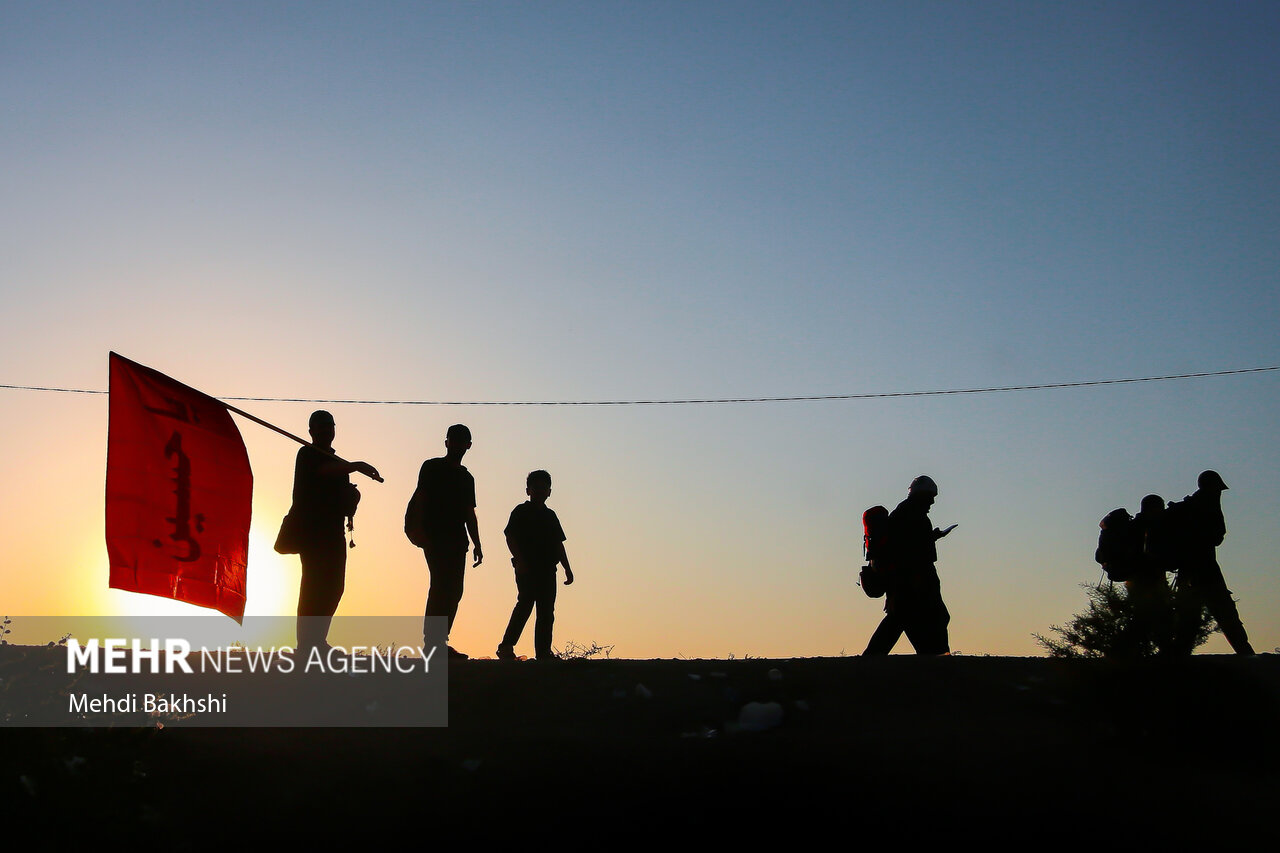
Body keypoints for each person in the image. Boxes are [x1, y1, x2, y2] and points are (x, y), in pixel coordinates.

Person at [290, 410, 381, 653]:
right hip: (312, 532)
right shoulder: (308, 454)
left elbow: (341, 496)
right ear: (311, 431)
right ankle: (307, 644)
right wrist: (356, 466)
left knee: (334, 586)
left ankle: (317, 640)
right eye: (319, 427)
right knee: (313, 586)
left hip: (333, 532)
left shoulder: (338, 463)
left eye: (329, 426)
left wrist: (353, 496)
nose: (325, 431)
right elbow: (323, 472)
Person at [408, 424, 483, 659]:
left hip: (457, 540)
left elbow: (469, 512)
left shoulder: (467, 478)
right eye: (454, 440)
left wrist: (477, 543)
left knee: (454, 590)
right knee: (441, 586)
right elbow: (420, 498)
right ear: (446, 442)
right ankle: (432, 644)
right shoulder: (431, 467)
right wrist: (418, 530)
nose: (458, 445)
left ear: (468, 446)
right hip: (435, 536)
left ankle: (439, 642)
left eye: (462, 441)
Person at [863, 475, 955, 656]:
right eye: (930, 497)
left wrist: (932, 536)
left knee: (904, 619)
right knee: (923, 617)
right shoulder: (911, 516)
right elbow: (908, 551)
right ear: (921, 495)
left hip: (910, 581)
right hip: (913, 580)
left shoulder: (907, 514)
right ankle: (938, 656)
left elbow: (911, 545)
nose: (933, 502)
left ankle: (934, 655)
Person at [1171, 470, 1254, 655]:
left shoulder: (1188, 507)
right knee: (1227, 618)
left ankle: (1176, 665)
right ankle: (1248, 659)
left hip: (1188, 574)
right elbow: (1217, 536)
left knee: (1187, 625)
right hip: (1206, 573)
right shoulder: (1206, 506)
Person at [496, 470, 574, 662]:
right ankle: (506, 646)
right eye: (535, 488)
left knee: (546, 610)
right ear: (528, 490)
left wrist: (567, 568)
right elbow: (510, 536)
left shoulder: (550, 516)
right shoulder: (520, 512)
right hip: (527, 568)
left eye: (543, 488)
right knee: (525, 604)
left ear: (549, 491)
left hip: (548, 569)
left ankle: (543, 652)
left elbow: (558, 543)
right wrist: (520, 560)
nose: (539, 491)